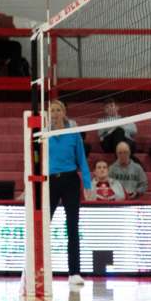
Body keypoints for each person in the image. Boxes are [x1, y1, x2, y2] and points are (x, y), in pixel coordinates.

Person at [48, 99, 95, 288]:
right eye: (52, 110)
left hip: (70, 181)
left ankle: (74, 272)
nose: (55, 113)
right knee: (43, 227)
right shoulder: (44, 133)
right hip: (50, 182)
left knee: (73, 227)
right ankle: (39, 269)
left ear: (64, 112)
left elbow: (82, 159)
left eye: (58, 110)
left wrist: (87, 184)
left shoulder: (73, 132)